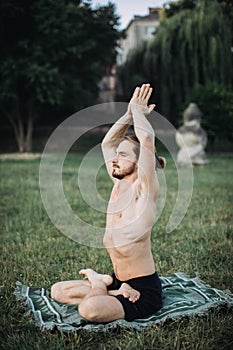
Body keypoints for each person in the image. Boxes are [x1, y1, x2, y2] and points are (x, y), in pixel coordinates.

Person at [51, 83, 165, 323]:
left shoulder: (144, 192)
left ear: (139, 164)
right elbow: (106, 143)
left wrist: (137, 111)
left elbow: (145, 137)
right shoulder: (118, 186)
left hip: (142, 292)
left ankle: (98, 285)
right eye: (117, 154)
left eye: (123, 155)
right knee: (58, 291)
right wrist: (127, 113)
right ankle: (105, 285)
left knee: (89, 310)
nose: (114, 159)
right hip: (119, 282)